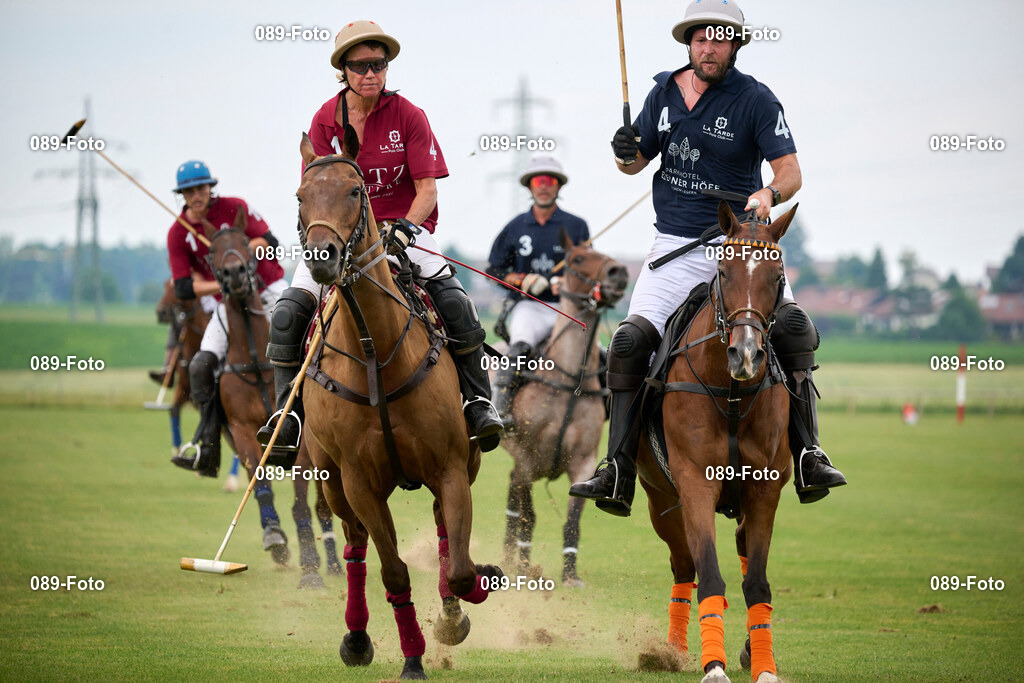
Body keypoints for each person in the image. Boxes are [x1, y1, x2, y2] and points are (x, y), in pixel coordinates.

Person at [569, 0, 846, 515]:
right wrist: (624, 150)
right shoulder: (663, 93)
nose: (709, 47)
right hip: (674, 247)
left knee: (795, 329)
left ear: (735, 45)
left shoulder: (756, 100)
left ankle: (808, 453)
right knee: (629, 343)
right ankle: (617, 469)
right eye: (700, 38)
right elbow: (633, 165)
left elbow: (791, 171)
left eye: (719, 39)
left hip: (740, 247)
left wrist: (767, 195)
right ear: (688, 43)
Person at [257, 20, 502, 463]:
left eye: (378, 64)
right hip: (337, 238)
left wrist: (406, 228)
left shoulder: (409, 115)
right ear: (344, 70)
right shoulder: (323, 120)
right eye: (360, 66)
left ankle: (476, 402)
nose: (371, 74)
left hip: (400, 234)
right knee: (289, 312)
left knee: (455, 303)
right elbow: (314, 192)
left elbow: (427, 188)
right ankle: (287, 417)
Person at [166, 160, 287, 475]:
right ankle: (207, 445)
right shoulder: (179, 234)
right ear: (183, 195)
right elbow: (182, 286)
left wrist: (237, 254)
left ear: (210, 187)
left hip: (268, 287)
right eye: (189, 191)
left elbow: (269, 242)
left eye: (201, 188)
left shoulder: (236, 208)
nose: (196, 195)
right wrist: (223, 281)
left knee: (303, 335)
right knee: (200, 364)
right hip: (226, 302)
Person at [486, 156, 589, 424]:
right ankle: (501, 409)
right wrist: (522, 279)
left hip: (566, 308)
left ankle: (608, 406)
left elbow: (586, 272)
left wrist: (560, 284)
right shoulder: (516, 226)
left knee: (597, 354)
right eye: (538, 181)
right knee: (519, 346)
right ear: (530, 187)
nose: (544, 186)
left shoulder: (576, 226)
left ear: (558, 187)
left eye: (550, 181)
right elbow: (494, 269)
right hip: (529, 306)